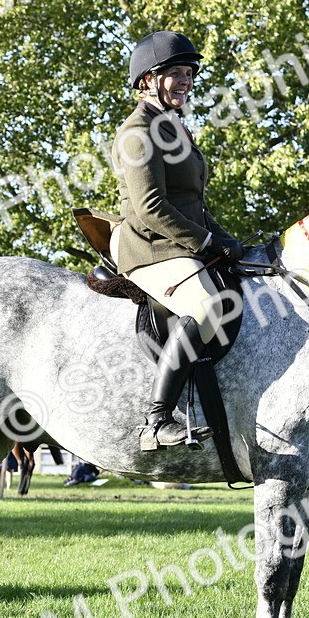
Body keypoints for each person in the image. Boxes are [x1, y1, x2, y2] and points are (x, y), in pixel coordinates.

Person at [113, 30, 241, 451]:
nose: (186, 81)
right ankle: (156, 421)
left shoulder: (174, 127)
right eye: (176, 73)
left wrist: (224, 237)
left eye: (189, 73)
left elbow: (193, 201)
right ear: (148, 80)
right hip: (149, 245)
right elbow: (150, 206)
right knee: (207, 308)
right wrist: (206, 243)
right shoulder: (137, 132)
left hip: (179, 241)